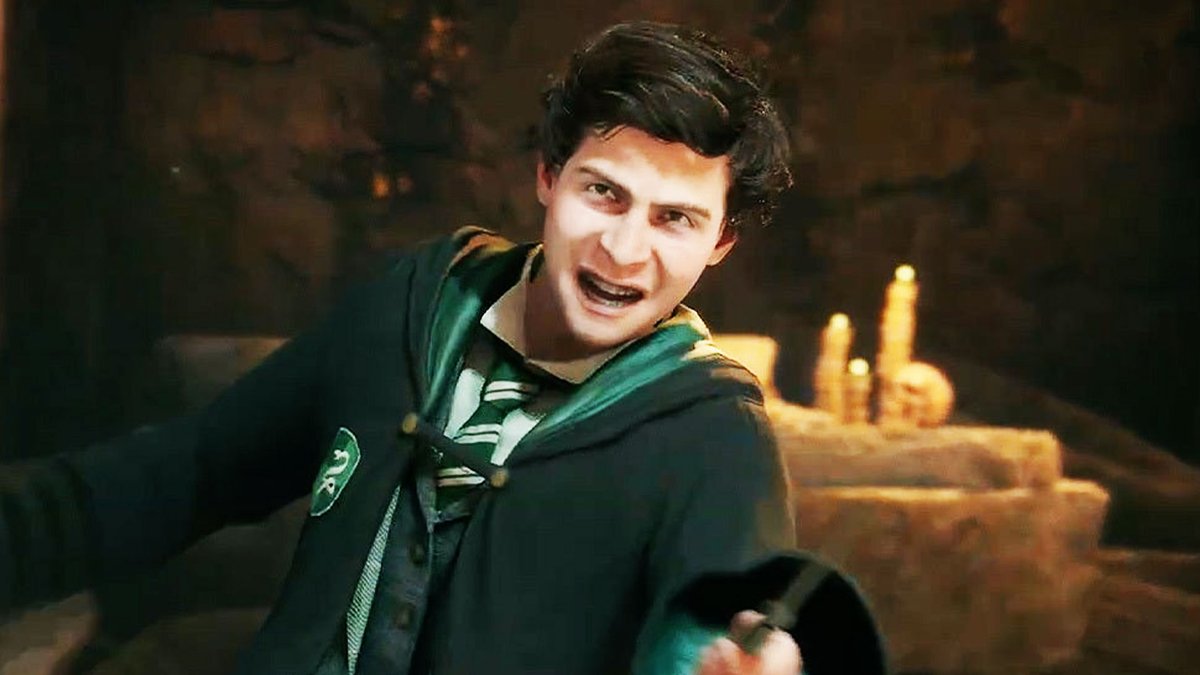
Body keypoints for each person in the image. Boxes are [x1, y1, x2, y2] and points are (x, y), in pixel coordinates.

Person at [0, 20, 883, 675]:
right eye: (604, 193)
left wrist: (747, 658)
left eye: (675, 219)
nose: (625, 249)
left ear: (721, 242)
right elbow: (187, 472)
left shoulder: (715, 435)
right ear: (547, 176)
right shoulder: (419, 302)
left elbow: (719, 621)